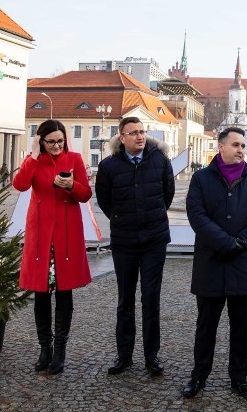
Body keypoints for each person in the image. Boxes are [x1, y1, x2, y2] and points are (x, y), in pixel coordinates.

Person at [181, 127, 247, 400]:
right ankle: (198, 376)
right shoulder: (201, 179)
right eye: (235, 144)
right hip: (211, 262)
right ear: (221, 147)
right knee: (206, 325)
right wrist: (225, 242)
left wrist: (241, 241)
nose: (241, 149)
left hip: (243, 263)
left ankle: (239, 378)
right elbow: (196, 215)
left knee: (240, 326)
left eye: (243, 145)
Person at [96, 117, 175, 377]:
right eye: (133, 133)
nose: (140, 136)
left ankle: (152, 357)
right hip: (125, 241)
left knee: (151, 299)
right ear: (122, 137)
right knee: (125, 300)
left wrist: (150, 218)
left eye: (142, 132)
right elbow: (105, 202)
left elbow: (167, 194)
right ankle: (124, 355)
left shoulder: (159, 160)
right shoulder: (108, 166)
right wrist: (124, 220)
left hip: (154, 240)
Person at [12, 119, 92, 376]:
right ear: (41, 141)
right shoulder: (34, 160)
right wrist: (34, 155)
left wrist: (72, 186)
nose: (57, 146)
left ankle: (60, 351)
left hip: (66, 235)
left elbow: (85, 194)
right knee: (41, 293)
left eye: (60, 141)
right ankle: (44, 348)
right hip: (41, 235)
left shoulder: (75, 159)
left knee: (64, 294)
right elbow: (20, 185)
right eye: (51, 142)